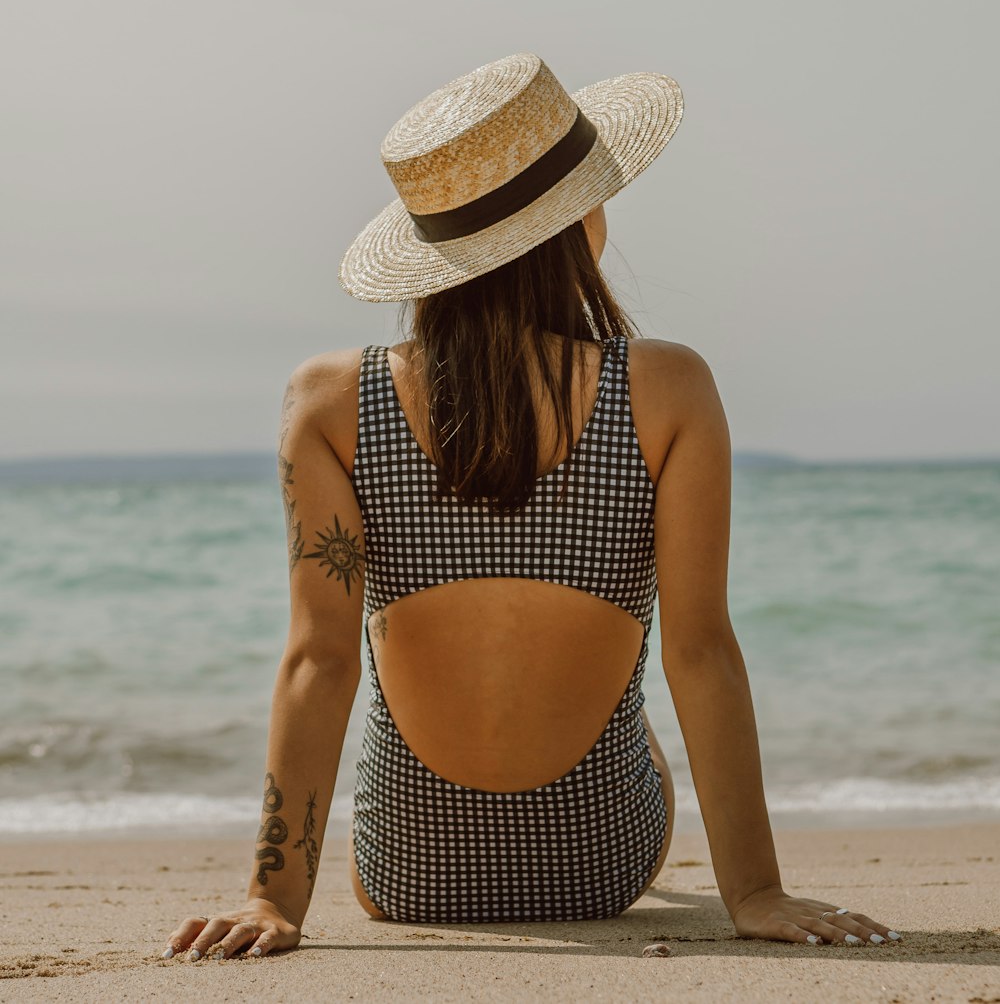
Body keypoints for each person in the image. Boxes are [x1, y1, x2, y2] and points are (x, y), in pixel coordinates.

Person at [161, 52, 901, 960]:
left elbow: (319, 661)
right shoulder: (667, 387)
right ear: (574, 222)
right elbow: (700, 649)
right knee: (642, 730)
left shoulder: (328, 401)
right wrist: (755, 892)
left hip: (408, 872)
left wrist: (271, 898)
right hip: (601, 861)